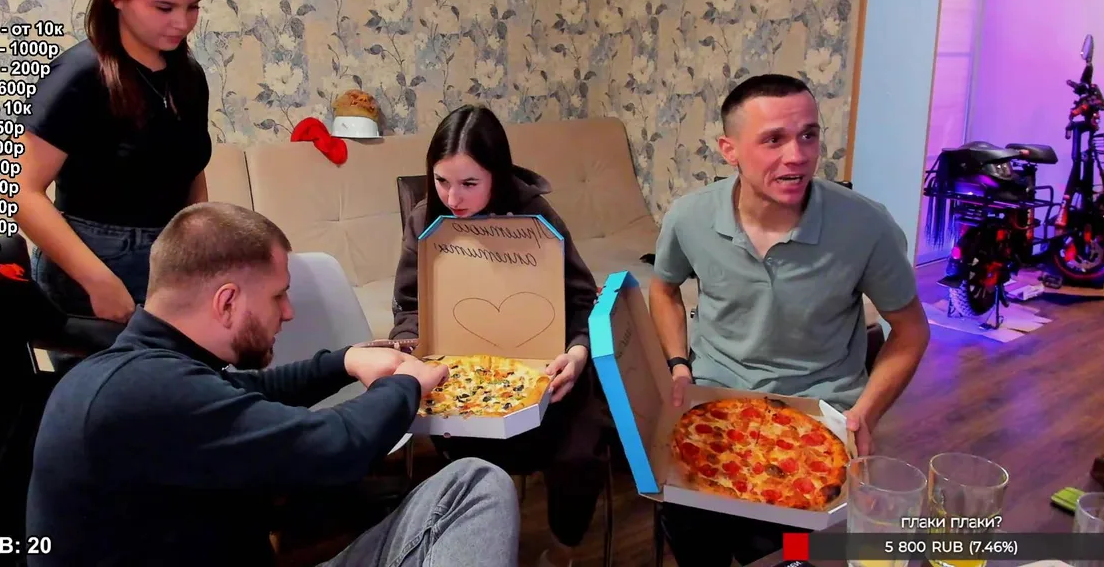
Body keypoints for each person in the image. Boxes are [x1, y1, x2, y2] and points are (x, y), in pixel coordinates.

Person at [26, 201, 521, 567]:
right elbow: (336, 447)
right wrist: (407, 383)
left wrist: (344, 361)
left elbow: (248, 393)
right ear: (227, 302)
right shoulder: (143, 393)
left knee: (468, 484)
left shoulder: (142, 373)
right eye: (278, 296)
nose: (288, 312)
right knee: (478, 488)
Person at [648, 74, 931, 567]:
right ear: (729, 150)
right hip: (713, 410)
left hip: (820, 419)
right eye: (773, 140)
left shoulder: (866, 225)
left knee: (787, 556)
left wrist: (865, 413)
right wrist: (678, 364)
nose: (797, 155)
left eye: (808, 135)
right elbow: (663, 288)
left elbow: (911, 330)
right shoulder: (688, 217)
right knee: (693, 540)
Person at [390, 104, 610, 567]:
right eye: (441, 181)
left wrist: (578, 351)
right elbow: (409, 306)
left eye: (470, 183)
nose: (453, 197)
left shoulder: (535, 212)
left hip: (547, 371)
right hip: (466, 378)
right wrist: (409, 347)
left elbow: (581, 298)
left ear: (498, 174)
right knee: (467, 459)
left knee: (578, 454)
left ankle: (564, 551)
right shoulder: (424, 220)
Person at [15, 0, 213, 328]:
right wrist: (97, 280)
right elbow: (20, 191)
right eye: (164, 8)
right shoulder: (80, 73)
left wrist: (202, 251)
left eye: (192, 7)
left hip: (169, 260)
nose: (182, 23)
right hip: (93, 263)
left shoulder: (188, 75)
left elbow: (190, 169)